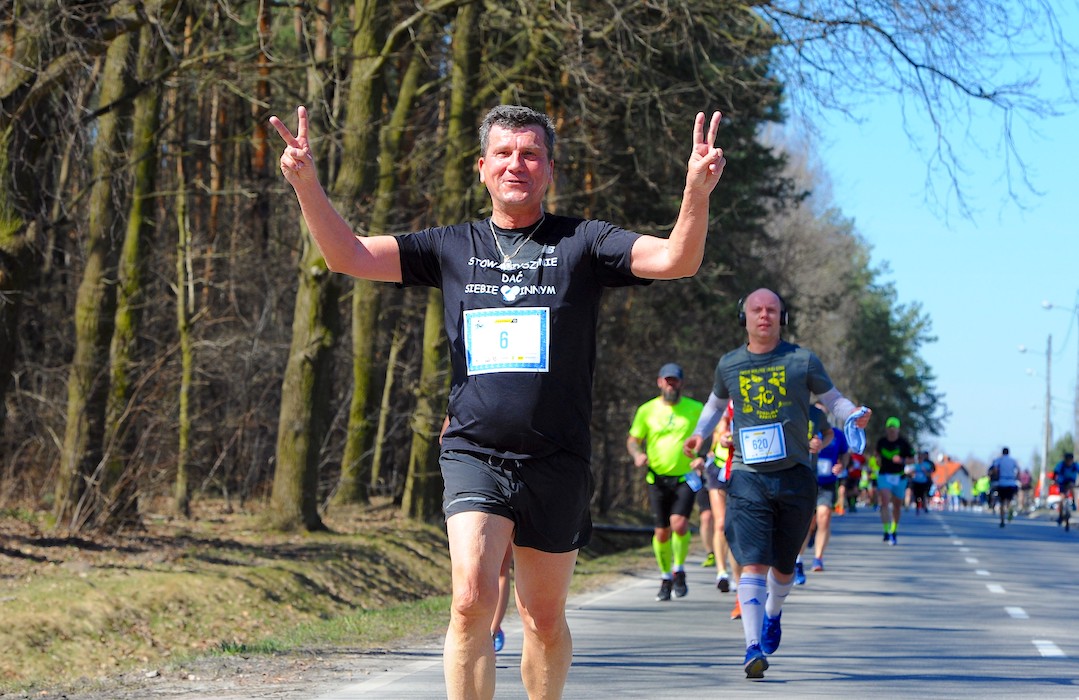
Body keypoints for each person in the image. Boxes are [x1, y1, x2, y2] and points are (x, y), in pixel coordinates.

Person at [271, 103, 726, 699]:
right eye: (504, 153)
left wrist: (696, 191)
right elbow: (347, 255)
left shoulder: (584, 243)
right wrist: (306, 184)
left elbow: (676, 259)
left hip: (557, 458)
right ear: (482, 167)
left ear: (550, 169)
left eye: (531, 154)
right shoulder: (450, 246)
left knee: (542, 619)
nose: (517, 164)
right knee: (469, 601)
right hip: (474, 451)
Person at [683, 288, 871, 680]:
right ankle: (752, 647)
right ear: (745, 317)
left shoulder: (802, 360)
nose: (764, 315)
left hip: (795, 476)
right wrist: (700, 434)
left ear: (782, 318)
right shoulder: (730, 363)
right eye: (757, 310)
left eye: (772, 310)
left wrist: (853, 413)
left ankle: (773, 612)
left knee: (784, 566)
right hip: (748, 476)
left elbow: (833, 400)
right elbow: (715, 405)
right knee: (753, 560)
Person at [628, 362, 706, 601]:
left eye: (675, 381)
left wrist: (702, 457)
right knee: (662, 532)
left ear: (681, 383)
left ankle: (679, 569)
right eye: (667, 381)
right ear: (660, 382)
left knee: (679, 524)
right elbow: (633, 440)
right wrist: (637, 455)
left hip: (686, 476)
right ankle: (665, 577)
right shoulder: (647, 410)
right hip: (657, 478)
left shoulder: (695, 408)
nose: (671, 385)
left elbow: (710, 434)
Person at [703, 398, 744, 620]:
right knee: (720, 524)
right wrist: (723, 437)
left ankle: (741, 580)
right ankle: (721, 572)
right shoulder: (723, 405)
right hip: (719, 469)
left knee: (735, 526)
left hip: (741, 469)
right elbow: (718, 430)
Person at [795, 408, 844, 583]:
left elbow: (844, 454)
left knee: (824, 516)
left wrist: (841, 465)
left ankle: (818, 558)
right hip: (805, 478)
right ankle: (797, 559)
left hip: (826, 482)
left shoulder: (836, 435)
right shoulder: (799, 418)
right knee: (806, 522)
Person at [875, 417, 914, 545]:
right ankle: (886, 530)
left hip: (899, 477)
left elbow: (912, 459)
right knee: (885, 501)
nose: (892, 430)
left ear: (898, 429)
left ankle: (893, 530)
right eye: (890, 428)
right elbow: (876, 455)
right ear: (887, 429)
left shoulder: (904, 443)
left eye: (894, 428)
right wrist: (877, 460)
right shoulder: (882, 442)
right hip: (884, 475)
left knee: (897, 505)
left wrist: (902, 460)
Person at [988, 447, 1021, 527]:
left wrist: (997, 476)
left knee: (1002, 502)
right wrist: (1015, 477)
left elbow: (995, 469)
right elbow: (1018, 470)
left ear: (1002, 453)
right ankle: (1010, 511)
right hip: (1011, 483)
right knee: (1009, 501)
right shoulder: (1013, 460)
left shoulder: (999, 460)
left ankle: (1002, 520)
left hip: (1002, 483)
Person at [1053, 452, 1078, 528]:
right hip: (1062, 482)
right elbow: (1055, 473)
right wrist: (1054, 480)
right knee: (1062, 498)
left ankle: (1073, 502)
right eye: (1067, 460)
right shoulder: (1061, 465)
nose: (1069, 462)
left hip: (1071, 481)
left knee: (1072, 487)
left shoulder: (1075, 465)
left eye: (1070, 460)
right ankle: (1060, 515)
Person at [909, 450, 936, 515]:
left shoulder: (927, 464)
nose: (919, 459)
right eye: (919, 458)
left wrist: (925, 472)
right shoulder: (915, 465)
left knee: (924, 495)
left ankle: (925, 506)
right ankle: (917, 508)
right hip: (916, 482)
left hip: (924, 482)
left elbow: (931, 472)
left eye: (921, 457)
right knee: (917, 496)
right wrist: (912, 473)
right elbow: (910, 472)